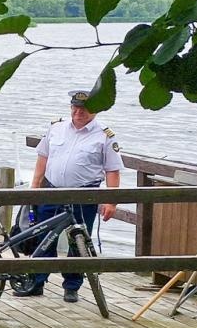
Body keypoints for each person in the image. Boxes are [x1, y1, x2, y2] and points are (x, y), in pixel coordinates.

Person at [22, 90, 122, 302]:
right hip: (52, 190)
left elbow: (112, 170)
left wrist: (111, 201)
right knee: (44, 236)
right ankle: (37, 282)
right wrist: (34, 188)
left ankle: (72, 286)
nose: (78, 112)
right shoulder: (56, 128)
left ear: (94, 110)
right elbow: (42, 158)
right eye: (75, 107)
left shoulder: (104, 135)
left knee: (79, 242)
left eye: (84, 109)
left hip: (84, 193)